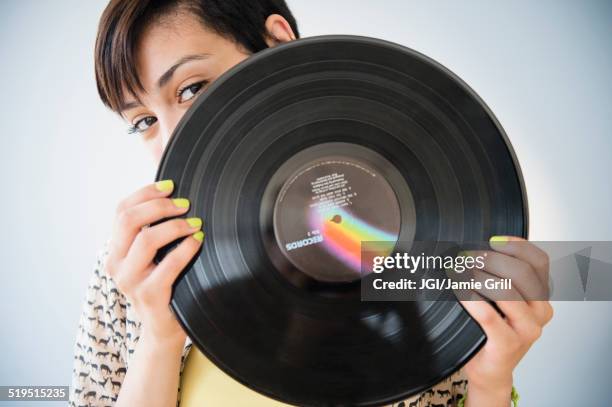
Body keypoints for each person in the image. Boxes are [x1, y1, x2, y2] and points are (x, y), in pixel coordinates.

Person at [69, 1, 553, 406]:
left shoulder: (428, 243)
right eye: (143, 121)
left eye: (192, 89)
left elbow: (592, 270)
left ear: (277, 42)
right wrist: (159, 336)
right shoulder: (133, 267)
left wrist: (491, 382)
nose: (173, 136)